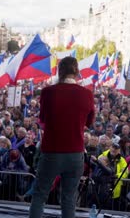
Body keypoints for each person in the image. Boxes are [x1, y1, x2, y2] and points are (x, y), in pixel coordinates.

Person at [29, 57, 95, 218]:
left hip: (52, 151)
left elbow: (43, 120)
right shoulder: (87, 94)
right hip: (75, 153)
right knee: (68, 198)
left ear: (60, 71)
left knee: (39, 195)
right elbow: (89, 122)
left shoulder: (48, 92)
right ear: (77, 71)